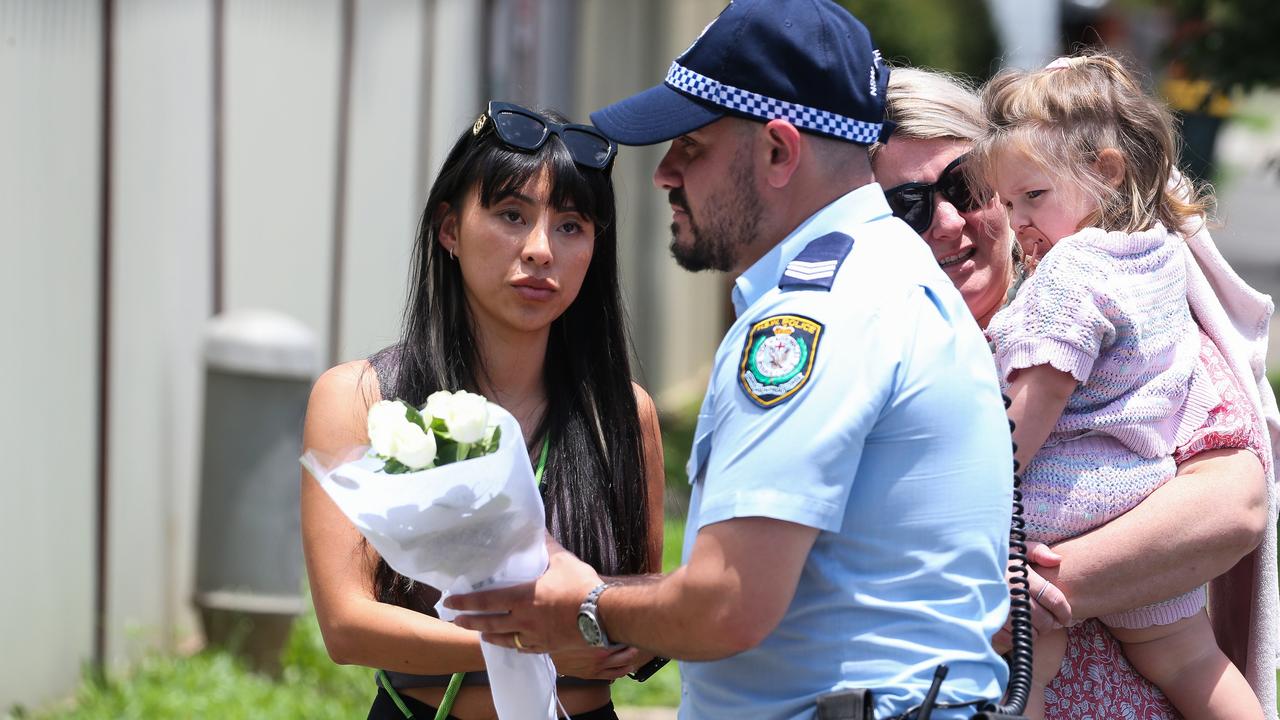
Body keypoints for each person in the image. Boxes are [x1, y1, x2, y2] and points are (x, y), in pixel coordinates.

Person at [445, 2, 1016, 718]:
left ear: (778, 152)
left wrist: (582, 605)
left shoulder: (811, 316)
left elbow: (729, 602)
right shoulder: (891, 272)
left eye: (692, 147)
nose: (665, 175)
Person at [871, 65, 1280, 719]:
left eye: (965, 188)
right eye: (907, 205)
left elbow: (1233, 504)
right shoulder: (861, 357)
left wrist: (1024, 595)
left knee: (1038, 667)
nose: (949, 220)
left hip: (1080, 616)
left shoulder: (1074, 286)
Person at [300, 102, 666, 720]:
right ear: (449, 229)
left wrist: (627, 627)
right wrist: (537, 643)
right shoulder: (362, 397)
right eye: (511, 215)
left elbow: (646, 600)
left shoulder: (624, 415)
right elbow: (346, 625)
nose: (541, 249)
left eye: (572, 225)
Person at [971, 52, 1259, 720]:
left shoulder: (1070, 273)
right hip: (1143, 488)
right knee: (1189, 658)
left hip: (1061, 496)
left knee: (1019, 655)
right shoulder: (1158, 250)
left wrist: (980, 490)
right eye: (1008, 203)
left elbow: (1036, 400)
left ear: (1106, 170)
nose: (1019, 223)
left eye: (1033, 197)